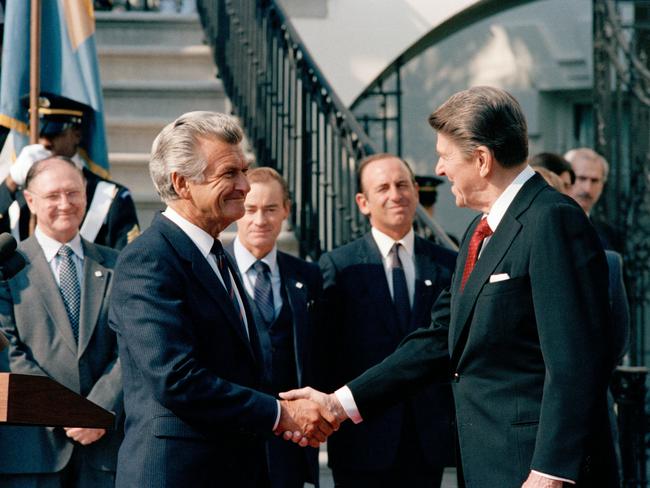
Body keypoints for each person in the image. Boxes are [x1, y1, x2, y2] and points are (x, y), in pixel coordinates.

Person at [282, 87, 618, 488]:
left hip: (535, 471)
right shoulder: (480, 231)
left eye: (445, 156)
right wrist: (338, 404)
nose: (439, 170)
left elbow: (575, 362)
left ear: (481, 160)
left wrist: (551, 472)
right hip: (489, 465)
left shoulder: (552, 220)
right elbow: (438, 338)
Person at [108, 111, 336, 488]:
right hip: (177, 474)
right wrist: (280, 414)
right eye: (230, 174)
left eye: (243, 171)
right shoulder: (149, 259)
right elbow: (176, 378)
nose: (245, 186)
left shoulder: (215, 254)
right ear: (182, 183)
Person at [315, 153, 457, 488]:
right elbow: (325, 352)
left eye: (403, 185)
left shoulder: (446, 263)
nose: (396, 194)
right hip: (362, 439)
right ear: (363, 202)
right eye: (383, 187)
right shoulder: (339, 266)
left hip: (425, 439)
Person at [0, 157, 123, 487]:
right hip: (33, 450)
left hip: (104, 451)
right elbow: (10, 352)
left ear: (85, 194)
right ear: (30, 200)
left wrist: (97, 411)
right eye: (53, 195)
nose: (65, 204)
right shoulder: (8, 267)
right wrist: (66, 411)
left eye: (73, 193)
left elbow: (130, 347)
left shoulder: (118, 265)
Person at [225, 166, 322, 488]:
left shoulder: (308, 276)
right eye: (250, 209)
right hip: (230, 439)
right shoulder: (214, 271)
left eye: (270, 209)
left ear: (286, 211)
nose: (260, 220)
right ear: (238, 211)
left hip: (289, 444)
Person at [0, 93, 140, 249]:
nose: (45, 142)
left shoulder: (109, 195)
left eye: (54, 134)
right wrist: (10, 183)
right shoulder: (15, 193)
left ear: (76, 135)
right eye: (39, 134)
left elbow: (126, 260)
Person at [565, 147, 621, 252]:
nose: (587, 189)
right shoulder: (549, 226)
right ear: (565, 178)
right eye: (582, 178)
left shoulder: (609, 234)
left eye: (595, 181)